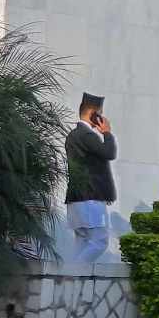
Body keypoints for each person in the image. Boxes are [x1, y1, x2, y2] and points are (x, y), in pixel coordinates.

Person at [65, 92, 117, 263]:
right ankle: (74, 274)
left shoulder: (73, 135)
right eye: (100, 113)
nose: (102, 117)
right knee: (99, 241)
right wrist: (107, 133)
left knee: (82, 243)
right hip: (90, 198)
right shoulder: (87, 136)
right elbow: (109, 153)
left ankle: (70, 276)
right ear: (93, 114)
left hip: (76, 199)